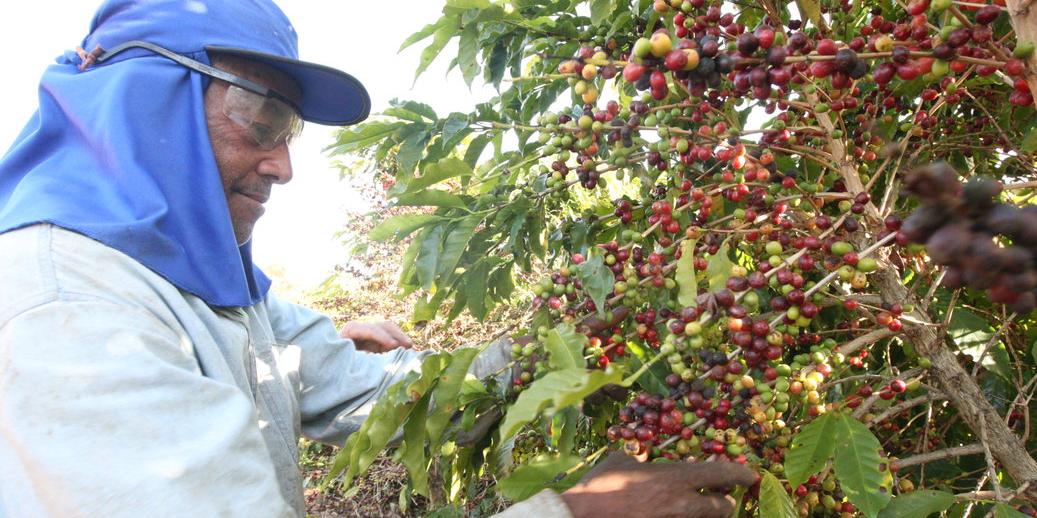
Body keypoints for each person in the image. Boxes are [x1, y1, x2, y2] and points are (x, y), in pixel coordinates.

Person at [0, 1, 755, 517]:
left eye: (289, 128)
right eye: (261, 121)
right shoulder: (70, 313)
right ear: (141, 102)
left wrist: (576, 335)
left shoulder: (228, 298)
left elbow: (399, 399)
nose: (283, 167)